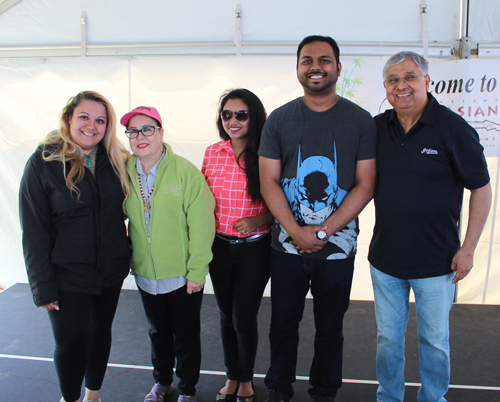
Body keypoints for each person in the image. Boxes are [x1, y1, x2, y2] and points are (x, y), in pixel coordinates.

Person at [258, 35, 377, 402]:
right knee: (282, 325)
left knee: (330, 328)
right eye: (307, 60)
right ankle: (278, 389)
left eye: (325, 60)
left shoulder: (360, 121)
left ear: (338, 68)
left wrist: (324, 230)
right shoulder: (279, 119)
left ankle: (324, 392)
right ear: (297, 68)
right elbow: (269, 181)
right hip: (286, 250)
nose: (316, 67)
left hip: (337, 250)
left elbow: (365, 185)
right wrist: (296, 232)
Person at [368, 51, 492, 402]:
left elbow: (481, 189)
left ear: (427, 81)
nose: (401, 85)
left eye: (409, 77)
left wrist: (467, 249)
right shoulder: (377, 128)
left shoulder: (453, 128)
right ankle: (388, 397)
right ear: (386, 87)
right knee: (387, 339)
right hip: (385, 261)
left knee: (435, 342)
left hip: (438, 264)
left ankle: (433, 398)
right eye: (393, 80)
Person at [19, 91, 131, 402]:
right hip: (65, 275)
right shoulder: (44, 161)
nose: (91, 126)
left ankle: (92, 395)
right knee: (71, 343)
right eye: (84, 117)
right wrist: (42, 286)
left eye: (100, 120)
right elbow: (33, 230)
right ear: (69, 118)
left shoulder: (116, 160)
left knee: (99, 335)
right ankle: (70, 399)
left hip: (109, 271)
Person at [121, 106, 215, 402]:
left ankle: (187, 389)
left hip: (183, 276)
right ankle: (163, 384)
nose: (140, 136)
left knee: (186, 336)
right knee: (157, 333)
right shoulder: (122, 172)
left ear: (161, 132)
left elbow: (202, 225)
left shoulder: (185, 172)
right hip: (146, 274)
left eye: (147, 129)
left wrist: (197, 272)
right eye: (133, 131)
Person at [202, 89, 274, 402]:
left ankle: (246, 378)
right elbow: (200, 200)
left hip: (255, 248)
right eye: (227, 114)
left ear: (254, 116)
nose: (233, 120)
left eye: (241, 114)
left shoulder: (268, 153)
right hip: (218, 247)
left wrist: (258, 221)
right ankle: (231, 375)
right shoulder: (212, 152)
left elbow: (283, 203)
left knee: (243, 317)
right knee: (224, 314)